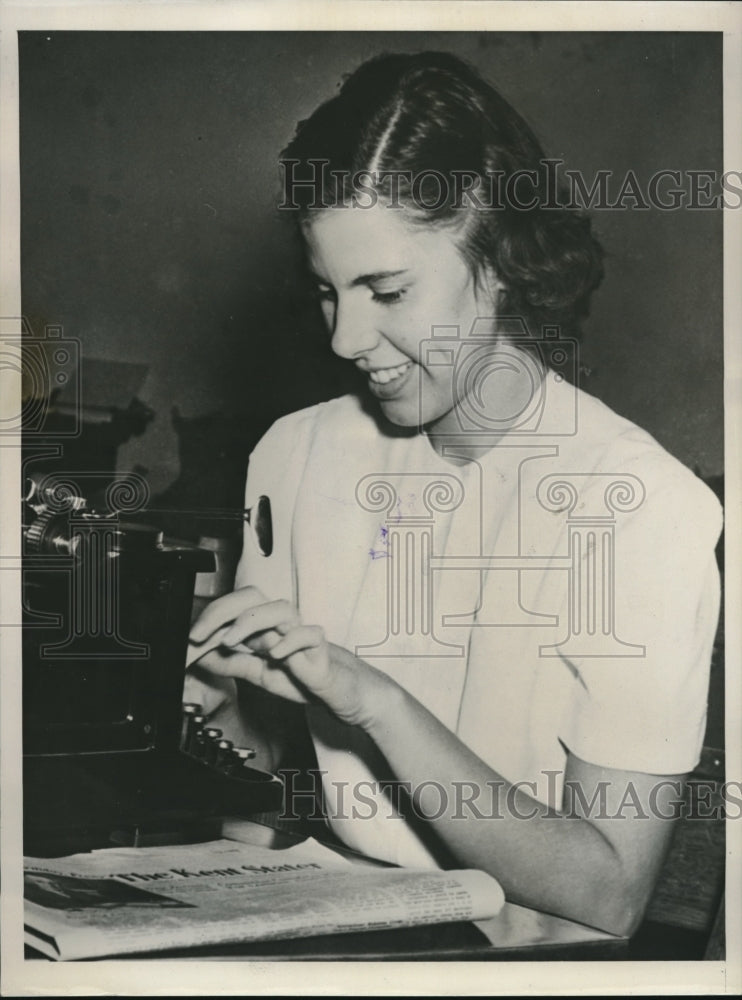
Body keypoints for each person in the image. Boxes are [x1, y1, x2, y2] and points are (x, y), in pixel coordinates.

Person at [186, 51, 723, 936]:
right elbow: (272, 791)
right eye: (327, 292)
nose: (348, 338)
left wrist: (378, 702)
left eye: (388, 291)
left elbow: (609, 892)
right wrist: (207, 711)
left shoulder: (638, 505)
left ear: (503, 258)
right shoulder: (296, 454)